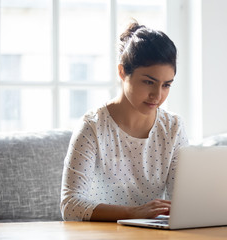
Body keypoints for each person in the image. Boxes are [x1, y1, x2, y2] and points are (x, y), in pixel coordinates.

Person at [60, 21, 189, 221]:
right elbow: (70, 205)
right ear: (122, 72)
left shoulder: (173, 128)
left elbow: (183, 202)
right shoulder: (93, 126)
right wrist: (133, 213)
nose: (157, 95)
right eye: (149, 82)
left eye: (166, 85)